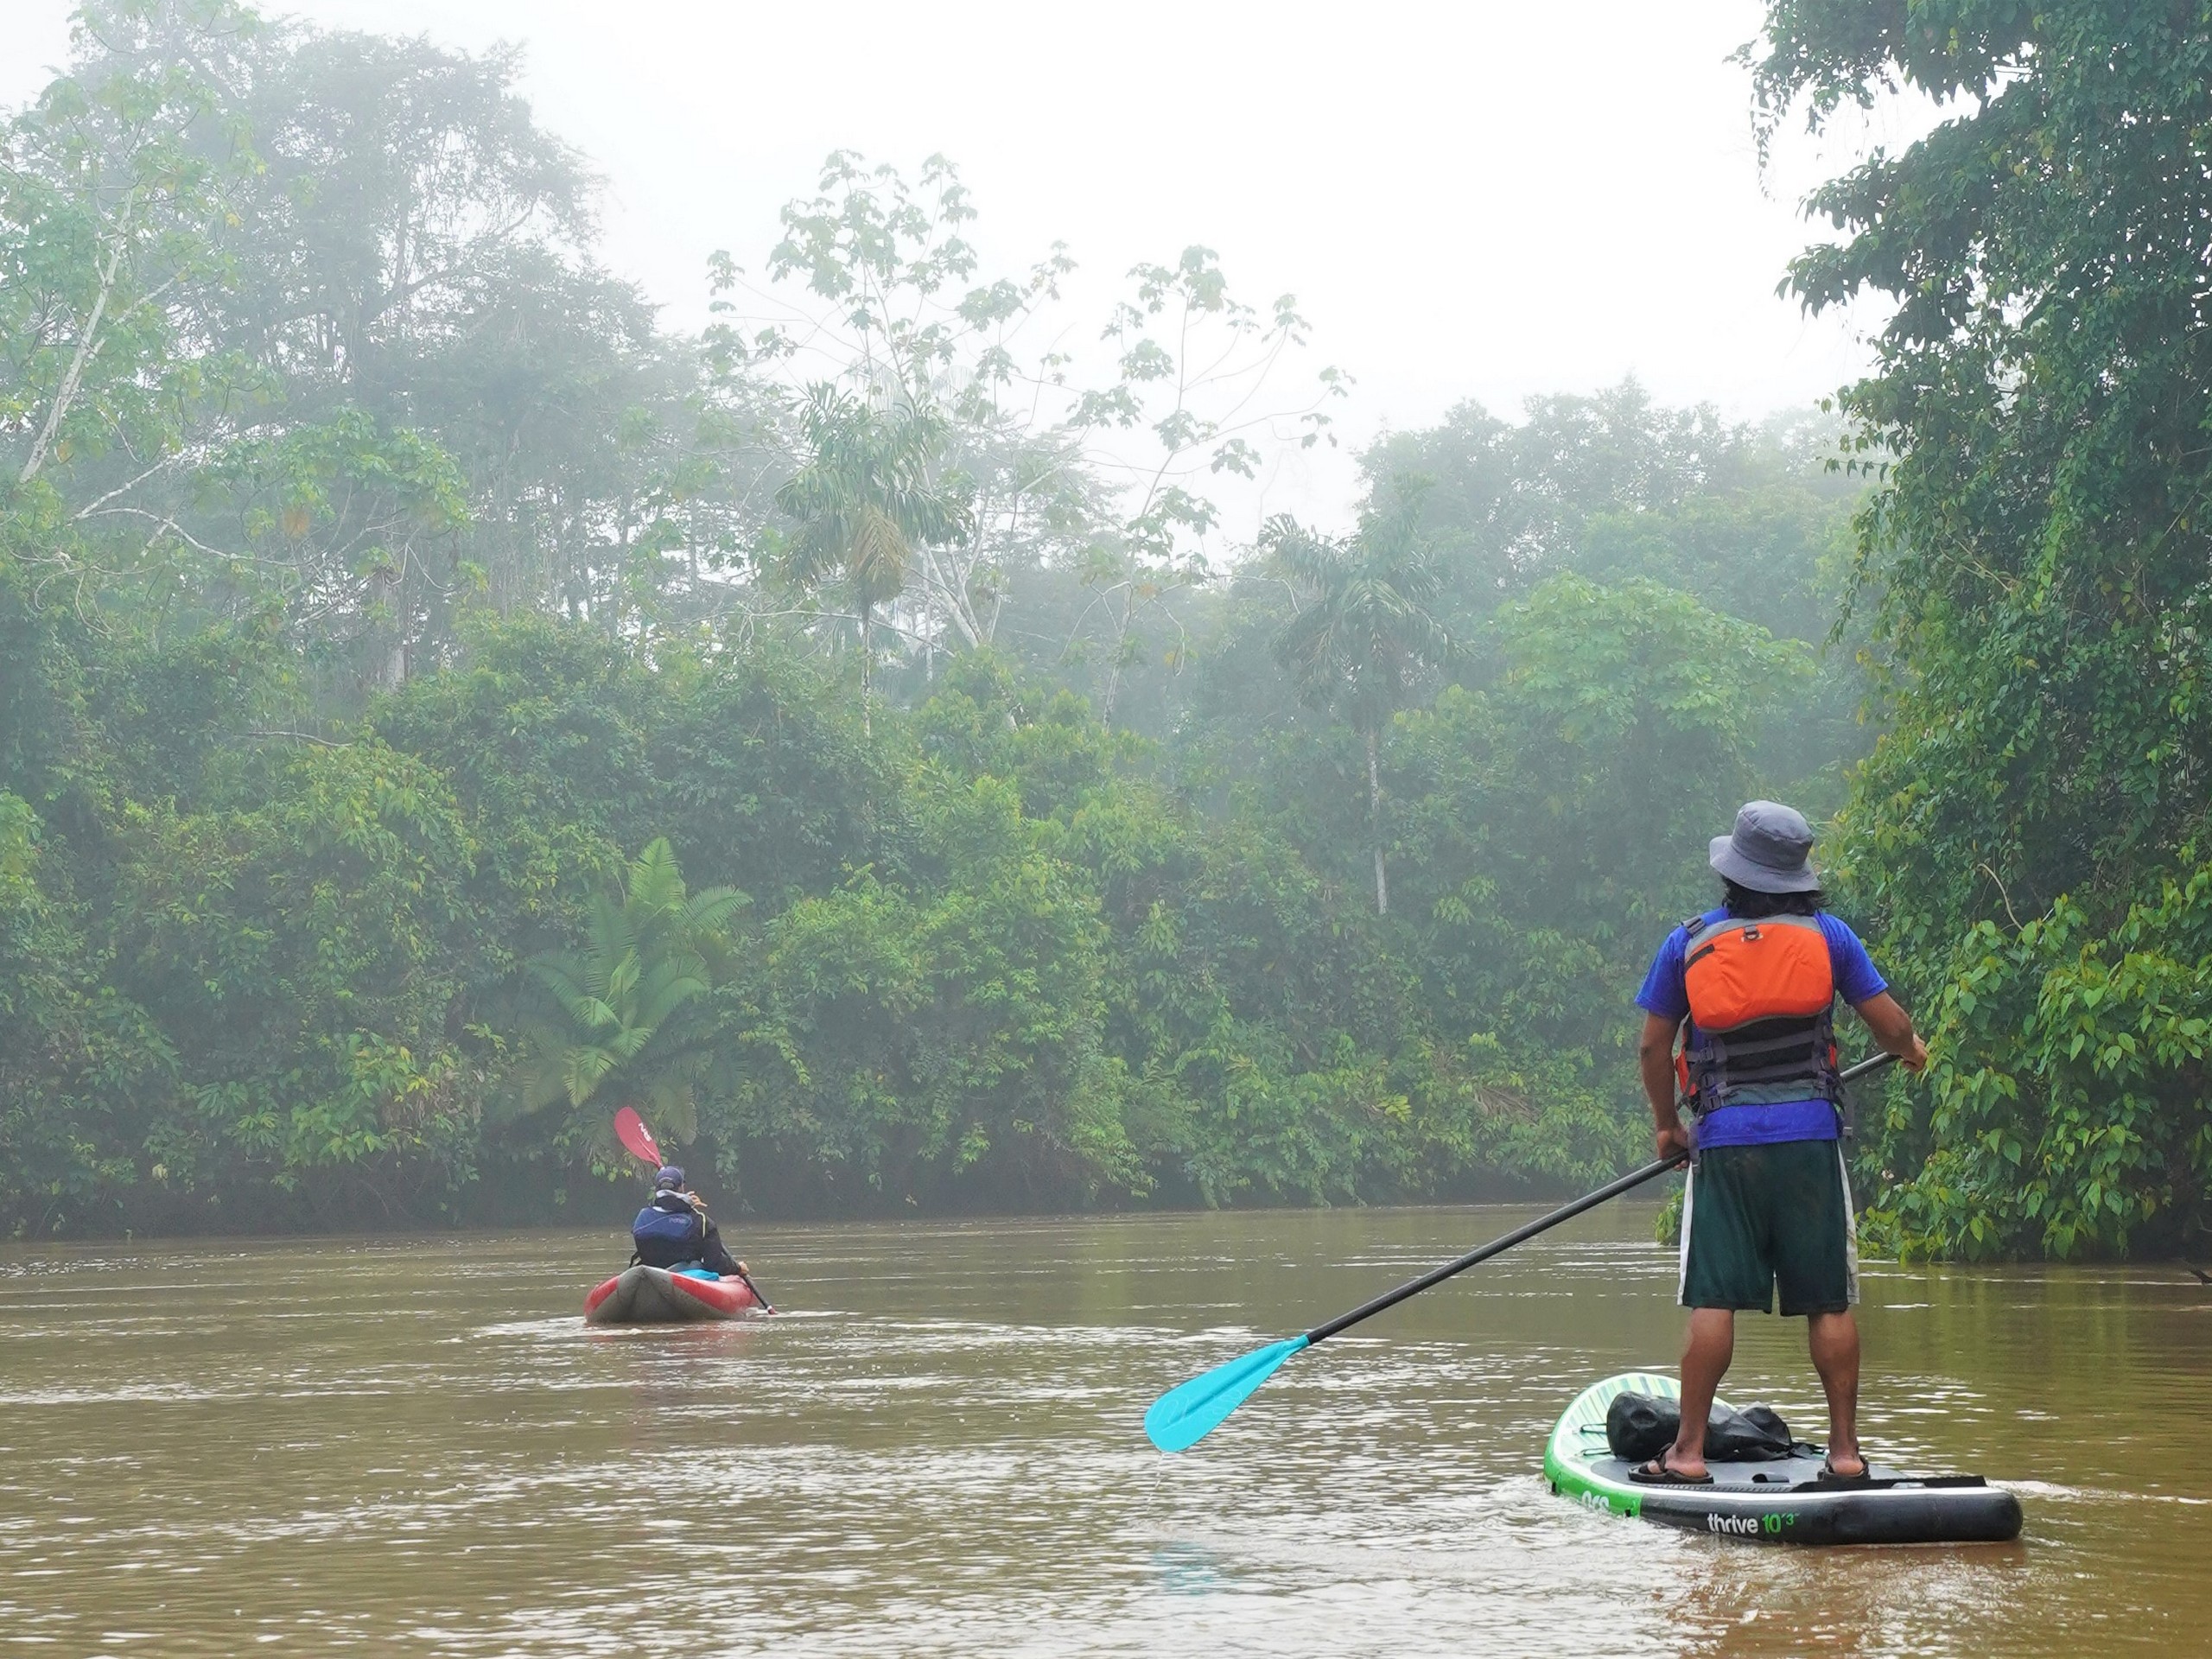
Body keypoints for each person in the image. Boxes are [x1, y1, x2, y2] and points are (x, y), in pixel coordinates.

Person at [1630, 800, 1928, 1487]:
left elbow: (1653, 1045)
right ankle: (1846, 1456)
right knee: (1829, 1299)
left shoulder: (1687, 942)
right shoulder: (1831, 938)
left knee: (1714, 1298)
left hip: (1726, 1143)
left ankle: (1689, 1454)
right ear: (1798, 875)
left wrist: (1667, 1126)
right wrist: (1908, 1047)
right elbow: (1890, 1025)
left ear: (1733, 871)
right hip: (1810, 1141)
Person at [631, 1165, 747, 1279]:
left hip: (649, 1277)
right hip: (684, 1279)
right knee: (697, 1265)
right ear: (681, 1188)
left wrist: (687, 1206)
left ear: (656, 1189)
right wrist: (737, 1268)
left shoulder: (642, 1217)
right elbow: (715, 1264)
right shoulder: (701, 1221)